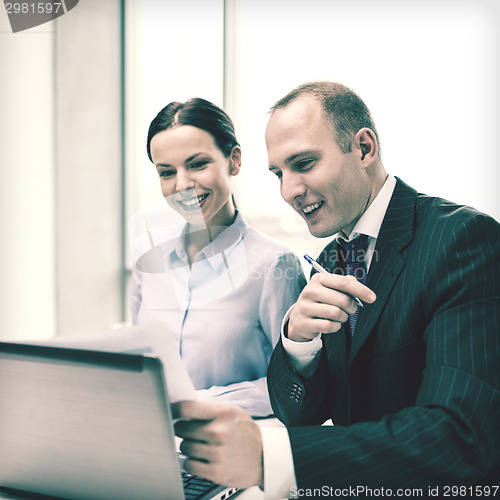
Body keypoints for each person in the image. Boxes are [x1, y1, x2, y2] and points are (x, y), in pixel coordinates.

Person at [173, 82, 500, 497]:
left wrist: (268, 456)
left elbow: (460, 437)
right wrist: (297, 344)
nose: (288, 191)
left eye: (304, 163)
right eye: (278, 173)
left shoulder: (462, 239)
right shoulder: (331, 259)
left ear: (364, 149)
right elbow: (300, 412)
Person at [130, 97, 306, 417]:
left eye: (198, 164)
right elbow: (140, 361)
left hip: (231, 450)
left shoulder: (274, 265)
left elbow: (296, 387)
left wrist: (195, 404)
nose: (182, 184)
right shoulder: (147, 253)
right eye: (167, 172)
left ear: (233, 160)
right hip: (153, 442)